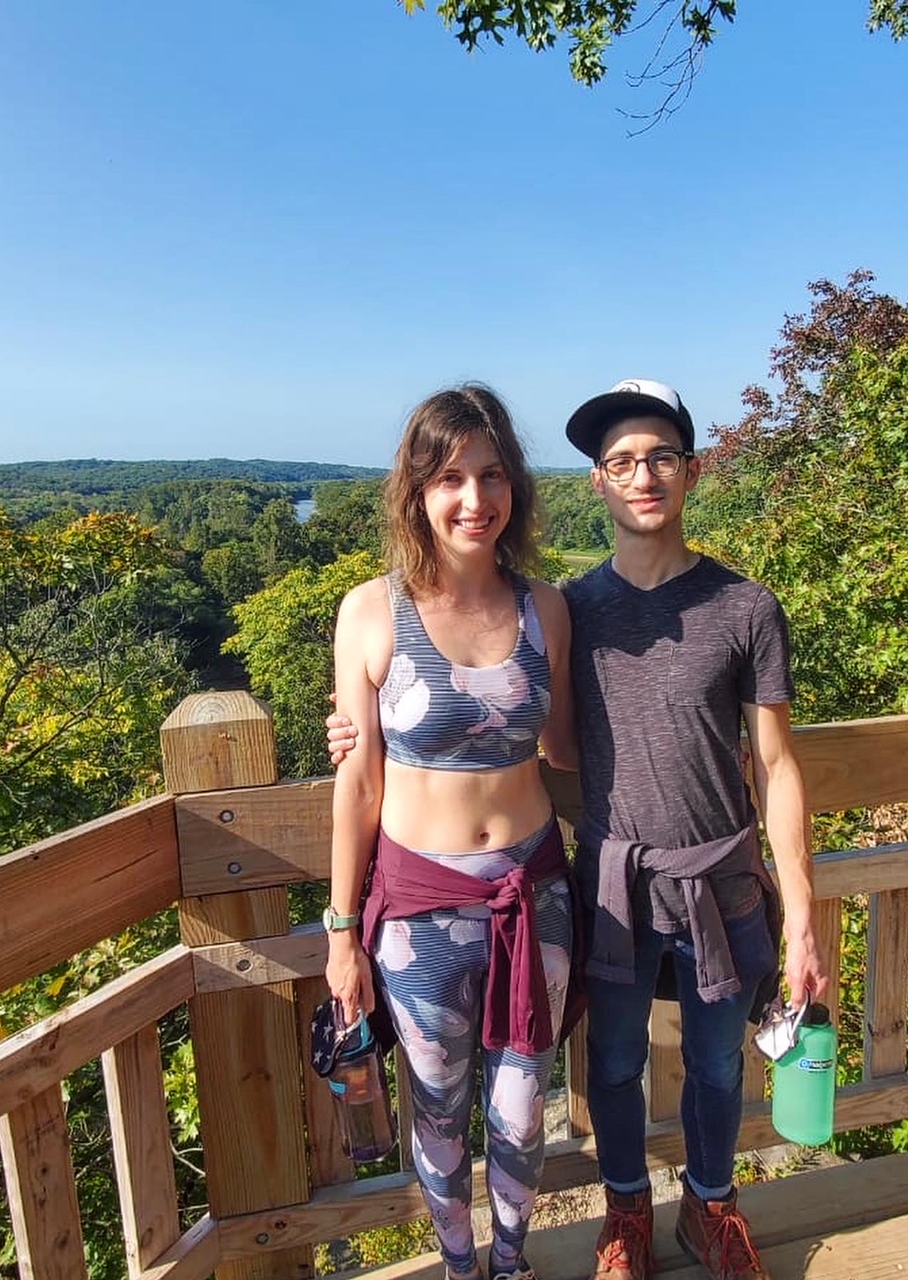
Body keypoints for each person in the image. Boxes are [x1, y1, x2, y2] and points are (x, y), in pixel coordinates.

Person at [330, 378, 826, 1280]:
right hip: (584, 883)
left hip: (674, 880)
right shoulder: (559, 605)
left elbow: (768, 764)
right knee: (599, 1065)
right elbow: (508, 744)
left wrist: (801, 914)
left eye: (661, 458)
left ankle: (704, 1210)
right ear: (597, 481)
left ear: (692, 471)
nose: (644, 476)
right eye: (622, 462)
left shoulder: (722, 607)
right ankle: (611, 1220)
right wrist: (364, 733)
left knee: (706, 1068)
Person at [324, 384, 581, 1280]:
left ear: (516, 486)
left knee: (522, 1112)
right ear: (418, 493)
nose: (476, 498)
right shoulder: (372, 611)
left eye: (493, 474)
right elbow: (359, 783)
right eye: (451, 478)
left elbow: (565, 749)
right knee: (437, 1112)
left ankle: (512, 1263)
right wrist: (340, 933)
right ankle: (460, 1266)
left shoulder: (547, 608)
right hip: (418, 908)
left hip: (534, 892)